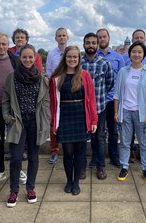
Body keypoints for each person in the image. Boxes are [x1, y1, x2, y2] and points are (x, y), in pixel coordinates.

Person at [3, 44, 50, 207]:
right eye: (24, 57)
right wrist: (7, 117)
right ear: (20, 58)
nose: (28, 60)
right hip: (18, 121)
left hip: (35, 122)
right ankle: (14, 191)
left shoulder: (41, 78)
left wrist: (47, 119)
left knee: (33, 157)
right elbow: (6, 99)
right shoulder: (12, 76)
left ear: (35, 58)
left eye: (31, 57)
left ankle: (30, 188)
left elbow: (46, 101)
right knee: (15, 158)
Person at [50, 46, 98, 195]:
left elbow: (91, 100)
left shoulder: (85, 75)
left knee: (80, 152)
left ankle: (76, 182)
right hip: (64, 116)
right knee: (67, 151)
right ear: (65, 58)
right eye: (69, 56)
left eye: (75, 57)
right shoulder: (56, 77)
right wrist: (53, 122)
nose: (72, 59)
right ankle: (68, 180)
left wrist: (94, 120)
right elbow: (52, 102)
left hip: (81, 117)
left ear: (79, 59)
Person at [0, 32, 27, 186]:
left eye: (4, 44)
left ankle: (18, 169)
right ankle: (0, 170)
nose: (1, 47)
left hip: (13, 107)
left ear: (8, 44)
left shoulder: (16, 61)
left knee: (16, 140)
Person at [114, 41, 146, 182]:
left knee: (144, 142)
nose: (136, 54)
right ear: (129, 54)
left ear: (143, 54)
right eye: (134, 52)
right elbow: (117, 95)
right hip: (125, 110)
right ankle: (124, 166)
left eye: (139, 52)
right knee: (125, 142)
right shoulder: (123, 71)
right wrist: (115, 112)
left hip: (141, 112)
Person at [81, 32, 114, 180]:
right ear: (84, 44)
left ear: (97, 44)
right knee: (82, 138)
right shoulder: (78, 63)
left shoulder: (104, 63)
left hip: (99, 107)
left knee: (99, 137)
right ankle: (81, 167)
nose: (91, 45)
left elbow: (109, 82)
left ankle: (100, 166)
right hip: (81, 108)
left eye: (93, 43)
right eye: (88, 43)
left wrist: (98, 97)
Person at [96, 28, 126, 167]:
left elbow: (122, 78)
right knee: (99, 132)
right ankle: (97, 158)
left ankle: (114, 157)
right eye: (99, 37)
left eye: (104, 37)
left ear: (109, 38)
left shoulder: (118, 57)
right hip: (98, 101)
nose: (102, 39)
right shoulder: (92, 56)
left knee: (114, 131)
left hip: (114, 100)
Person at [45, 27, 69, 164]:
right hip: (55, 91)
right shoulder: (51, 54)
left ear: (67, 37)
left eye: (64, 35)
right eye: (59, 35)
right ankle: (54, 151)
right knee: (54, 121)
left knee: (66, 121)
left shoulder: (71, 52)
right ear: (55, 38)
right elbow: (48, 72)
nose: (61, 38)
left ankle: (68, 149)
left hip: (69, 90)